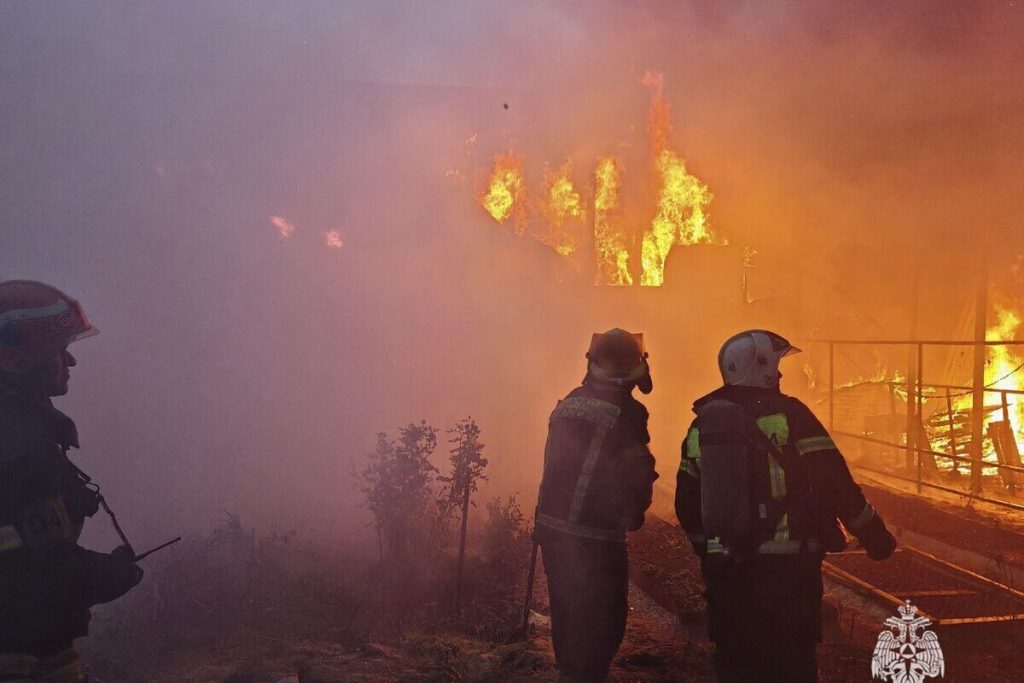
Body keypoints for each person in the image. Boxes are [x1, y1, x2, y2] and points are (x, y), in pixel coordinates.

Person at [676, 329, 896, 683]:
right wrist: (874, 535)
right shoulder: (792, 416)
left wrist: (710, 553)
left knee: (736, 664)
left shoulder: (702, 426)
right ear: (759, 367)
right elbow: (834, 482)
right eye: (775, 366)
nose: (779, 375)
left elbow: (686, 504)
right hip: (788, 574)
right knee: (791, 665)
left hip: (728, 574)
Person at [0, 280, 143, 683]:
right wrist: (111, 574)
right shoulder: (21, 449)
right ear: (20, 357)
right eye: (58, 350)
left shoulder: (21, 433)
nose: (71, 362)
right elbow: (37, 574)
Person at [534, 328, 658, 683]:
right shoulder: (629, 412)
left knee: (568, 610)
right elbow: (637, 472)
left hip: (554, 528)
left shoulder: (569, 401)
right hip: (596, 534)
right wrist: (634, 512)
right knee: (604, 617)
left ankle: (571, 674)